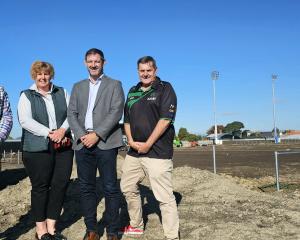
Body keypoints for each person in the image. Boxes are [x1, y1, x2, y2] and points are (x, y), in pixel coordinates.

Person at [67, 48, 124, 240]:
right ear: (85, 63)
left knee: (110, 187)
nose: (93, 64)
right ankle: (91, 229)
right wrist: (83, 135)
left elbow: (116, 112)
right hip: (83, 144)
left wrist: (97, 134)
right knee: (86, 187)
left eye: (97, 61)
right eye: (90, 61)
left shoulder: (115, 84)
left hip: (106, 143)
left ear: (103, 63)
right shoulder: (77, 86)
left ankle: (112, 230)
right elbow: (71, 113)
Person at [120, 56, 180, 240]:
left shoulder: (165, 88)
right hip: (134, 151)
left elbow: (165, 120)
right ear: (138, 71)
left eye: (149, 70)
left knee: (164, 197)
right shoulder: (133, 91)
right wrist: (130, 140)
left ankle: (172, 236)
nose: (145, 74)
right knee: (127, 186)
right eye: (142, 71)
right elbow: (127, 120)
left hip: (157, 152)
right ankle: (137, 225)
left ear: (155, 70)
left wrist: (148, 144)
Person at [18, 61, 74, 240]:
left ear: (51, 75)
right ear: (34, 76)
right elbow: (25, 121)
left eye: (46, 74)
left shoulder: (62, 92)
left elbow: (72, 114)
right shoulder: (27, 95)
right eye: (39, 74)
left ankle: (52, 228)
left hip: (63, 145)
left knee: (60, 185)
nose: (43, 77)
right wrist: (50, 133)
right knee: (41, 187)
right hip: (37, 148)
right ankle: (40, 230)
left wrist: (62, 131)